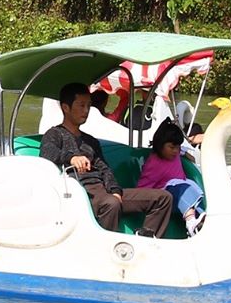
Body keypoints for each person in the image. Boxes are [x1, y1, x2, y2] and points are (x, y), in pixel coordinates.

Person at [37, 82, 175, 238]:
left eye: (88, 105)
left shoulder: (91, 141)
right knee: (111, 203)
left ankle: (146, 240)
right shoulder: (54, 134)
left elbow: (105, 169)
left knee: (163, 198)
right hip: (80, 192)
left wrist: (115, 190)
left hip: (104, 192)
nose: (86, 111)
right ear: (65, 107)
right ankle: (105, 248)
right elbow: (47, 153)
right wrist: (71, 158)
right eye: (81, 105)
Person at [136, 122, 204, 234]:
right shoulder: (154, 164)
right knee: (176, 185)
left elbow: (184, 152)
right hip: (167, 201)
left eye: (177, 147)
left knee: (190, 185)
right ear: (160, 144)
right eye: (172, 147)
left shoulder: (176, 153)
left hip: (184, 194)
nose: (175, 151)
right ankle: (191, 223)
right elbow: (142, 189)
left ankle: (202, 218)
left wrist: (188, 156)